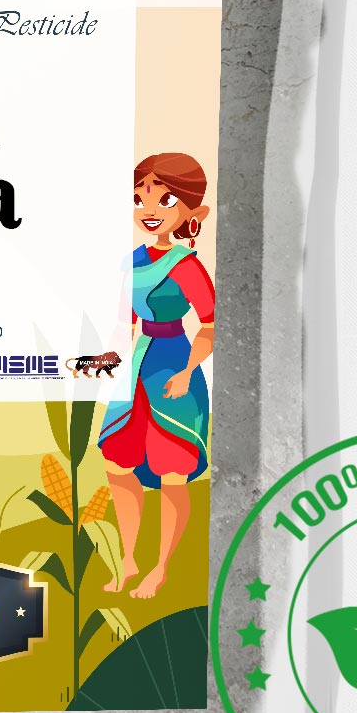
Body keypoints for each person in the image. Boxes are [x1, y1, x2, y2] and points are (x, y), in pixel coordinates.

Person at [97, 152, 215, 600]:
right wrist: (105, 361)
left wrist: (187, 371)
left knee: (172, 472)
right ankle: (128, 558)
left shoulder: (186, 266)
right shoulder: (132, 261)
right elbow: (124, 322)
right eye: (139, 198)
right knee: (117, 464)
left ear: (191, 211)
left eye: (164, 200)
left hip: (173, 368)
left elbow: (210, 326)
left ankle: (161, 567)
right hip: (135, 369)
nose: (149, 210)